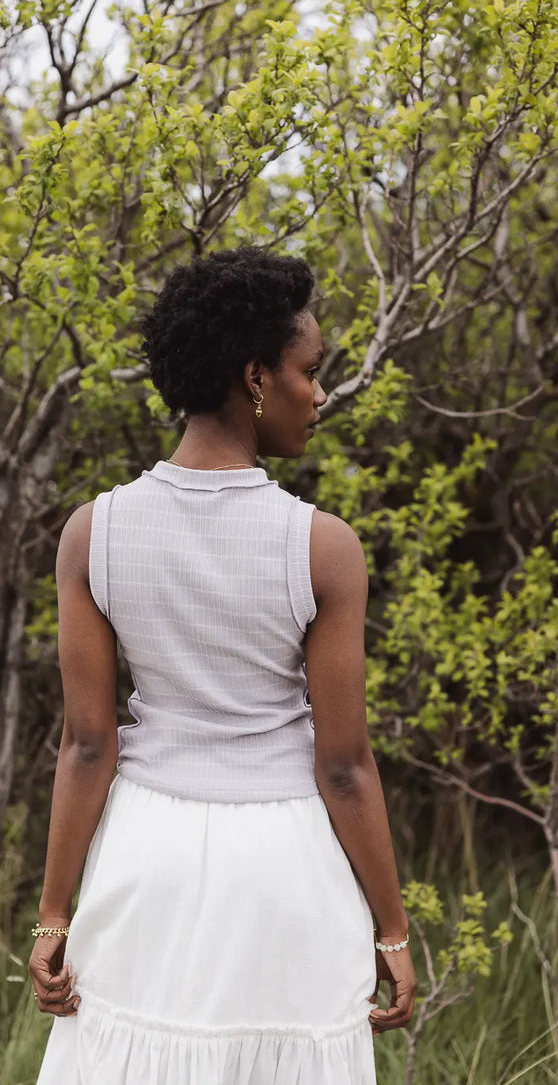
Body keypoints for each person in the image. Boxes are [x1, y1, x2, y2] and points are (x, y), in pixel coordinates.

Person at [29, 247, 416, 1084]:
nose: (321, 394)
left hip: (144, 859)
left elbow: (88, 747)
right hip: (285, 870)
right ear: (254, 377)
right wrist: (391, 930)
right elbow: (344, 766)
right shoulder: (322, 547)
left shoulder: (94, 533)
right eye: (309, 371)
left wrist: (53, 916)